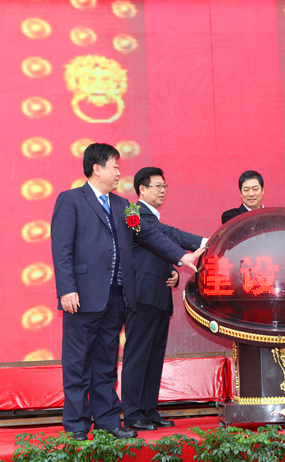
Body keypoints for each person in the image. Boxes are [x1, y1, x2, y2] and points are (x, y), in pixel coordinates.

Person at [51, 143, 203, 441]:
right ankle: (77, 424)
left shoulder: (123, 206)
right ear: (97, 168)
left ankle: (108, 420)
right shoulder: (71, 200)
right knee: (78, 363)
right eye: (115, 166)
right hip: (81, 297)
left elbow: (149, 233)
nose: (120, 173)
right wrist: (66, 289)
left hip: (116, 296)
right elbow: (62, 248)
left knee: (106, 363)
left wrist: (181, 256)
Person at [122, 167, 207, 431]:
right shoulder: (133, 213)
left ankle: (149, 411)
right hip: (142, 297)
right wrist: (204, 241)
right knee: (138, 355)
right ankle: (132, 414)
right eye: (157, 186)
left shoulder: (151, 217)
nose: (162, 191)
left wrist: (174, 273)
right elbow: (165, 234)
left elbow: (155, 251)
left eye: (164, 186)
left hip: (159, 297)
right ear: (142, 189)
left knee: (154, 356)